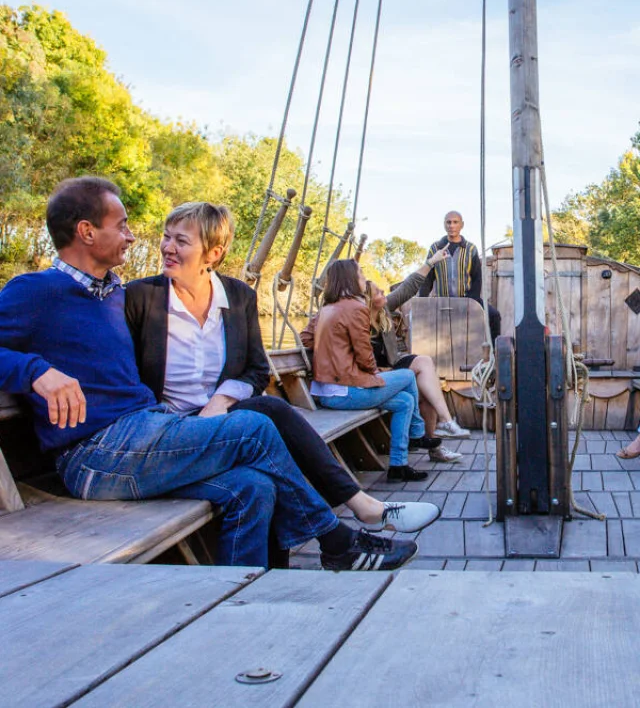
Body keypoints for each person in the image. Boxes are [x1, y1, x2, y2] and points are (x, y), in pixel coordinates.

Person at [0, 176, 419, 572]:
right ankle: (337, 542)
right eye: (122, 226)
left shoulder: (112, 294)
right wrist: (35, 371)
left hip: (146, 430)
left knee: (254, 487)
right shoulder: (37, 291)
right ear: (87, 232)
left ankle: (237, 599)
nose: (132, 236)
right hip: (96, 453)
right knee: (254, 428)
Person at [124, 201, 439, 535]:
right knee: (405, 376)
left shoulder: (239, 296)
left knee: (262, 471)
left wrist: (221, 400)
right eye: (166, 237)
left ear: (213, 253)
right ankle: (356, 514)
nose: (167, 248)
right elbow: (124, 375)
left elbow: (257, 369)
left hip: (221, 416)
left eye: (181, 241)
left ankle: (351, 521)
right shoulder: (139, 297)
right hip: (169, 428)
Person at [302, 259, 439, 483]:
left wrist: (332, 347)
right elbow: (366, 358)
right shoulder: (356, 308)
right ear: (350, 278)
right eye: (360, 273)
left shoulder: (326, 309)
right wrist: (374, 373)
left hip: (325, 392)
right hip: (346, 391)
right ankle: (417, 433)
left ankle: (398, 466)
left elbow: (306, 338)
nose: (364, 278)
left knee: (404, 401)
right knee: (407, 375)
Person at [365, 273, 470, 464]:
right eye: (378, 292)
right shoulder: (357, 320)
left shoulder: (384, 309)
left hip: (391, 366)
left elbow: (408, 287)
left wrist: (431, 262)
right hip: (375, 375)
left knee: (425, 370)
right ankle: (440, 434)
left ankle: (441, 433)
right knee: (423, 385)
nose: (383, 292)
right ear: (368, 300)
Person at [418, 210, 501, 343]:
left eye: (455, 222)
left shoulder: (471, 249)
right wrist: (421, 301)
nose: (451, 225)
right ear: (444, 225)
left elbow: (477, 278)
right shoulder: (435, 248)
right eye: (448, 222)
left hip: (467, 298)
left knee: (494, 316)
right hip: (442, 300)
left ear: (461, 225)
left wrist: (471, 302)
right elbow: (428, 278)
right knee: (420, 319)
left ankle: (494, 354)